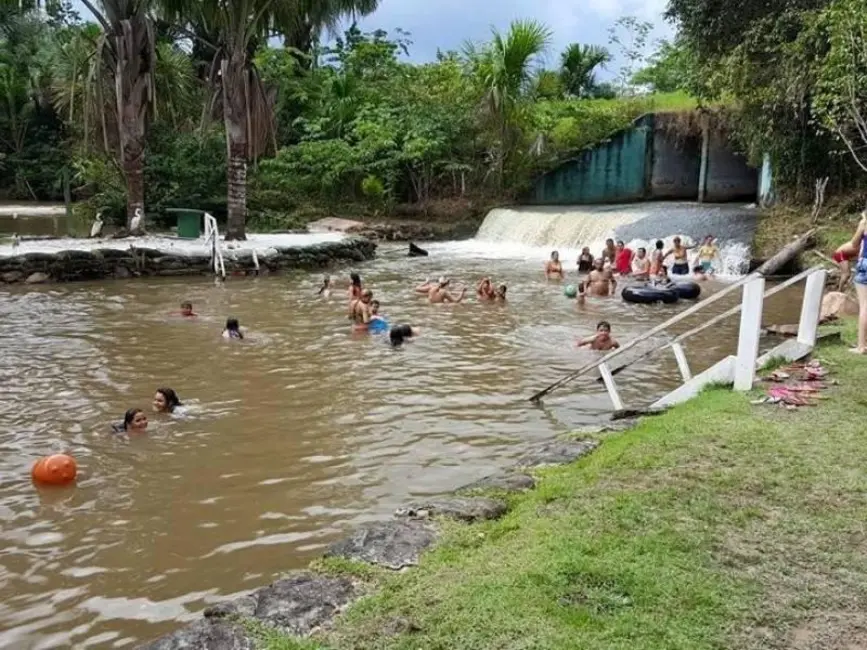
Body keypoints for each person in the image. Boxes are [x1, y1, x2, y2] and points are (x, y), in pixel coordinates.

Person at [849, 213, 867, 353]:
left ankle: (861, 346)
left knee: (865, 306)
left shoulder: (864, 223)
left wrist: (862, 224)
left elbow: (854, 244)